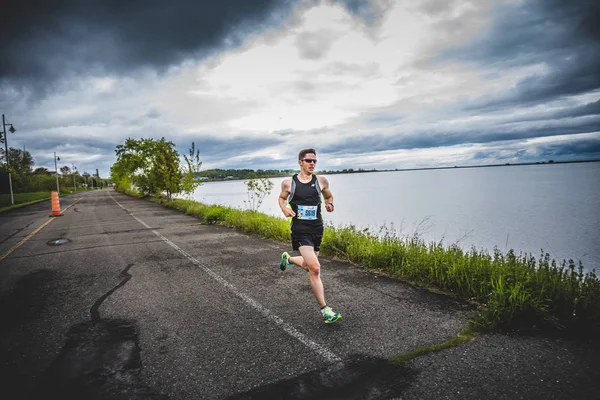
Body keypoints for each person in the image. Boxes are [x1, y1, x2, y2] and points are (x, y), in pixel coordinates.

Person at [278, 148, 341, 324]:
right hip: (300, 229)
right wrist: (284, 208)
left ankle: (288, 259)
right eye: (308, 160)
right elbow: (282, 199)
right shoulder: (289, 183)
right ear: (300, 162)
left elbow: (329, 197)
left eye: (314, 161)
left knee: (308, 265)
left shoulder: (321, 181)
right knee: (315, 268)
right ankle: (325, 310)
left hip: (317, 228)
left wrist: (330, 204)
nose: (312, 163)